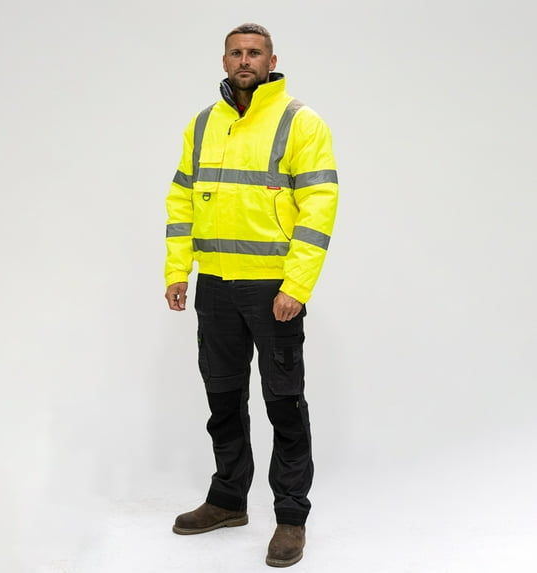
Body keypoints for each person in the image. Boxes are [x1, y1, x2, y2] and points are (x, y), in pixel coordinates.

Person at [164, 23, 338, 568]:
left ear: (272, 61)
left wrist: (297, 286)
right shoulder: (202, 124)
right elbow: (181, 201)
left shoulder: (300, 122)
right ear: (224, 61)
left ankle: (291, 517)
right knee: (223, 398)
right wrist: (178, 271)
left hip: (272, 289)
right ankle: (227, 500)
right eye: (236, 52)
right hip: (215, 286)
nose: (245, 60)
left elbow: (319, 207)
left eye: (254, 53)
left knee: (283, 403)